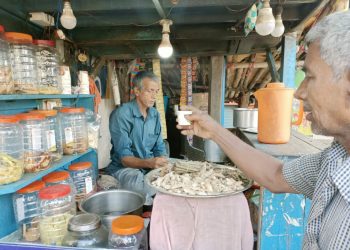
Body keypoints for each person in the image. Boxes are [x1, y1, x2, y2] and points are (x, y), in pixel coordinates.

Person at [177, 11, 350, 249]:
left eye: (309, 76)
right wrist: (215, 130)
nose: (299, 92)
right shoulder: (335, 158)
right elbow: (276, 176)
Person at [106, 71, 168, 201]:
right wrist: (150, 163)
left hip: (150, 167)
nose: (154, 96)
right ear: (137, 91)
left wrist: (162, 162)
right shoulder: (122, 114)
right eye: (150, 91)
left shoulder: (155, 115)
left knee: (172, 182)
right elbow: (124, 158)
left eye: (156, 91)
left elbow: (159, 146)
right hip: (126, 169)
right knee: (141, 188)